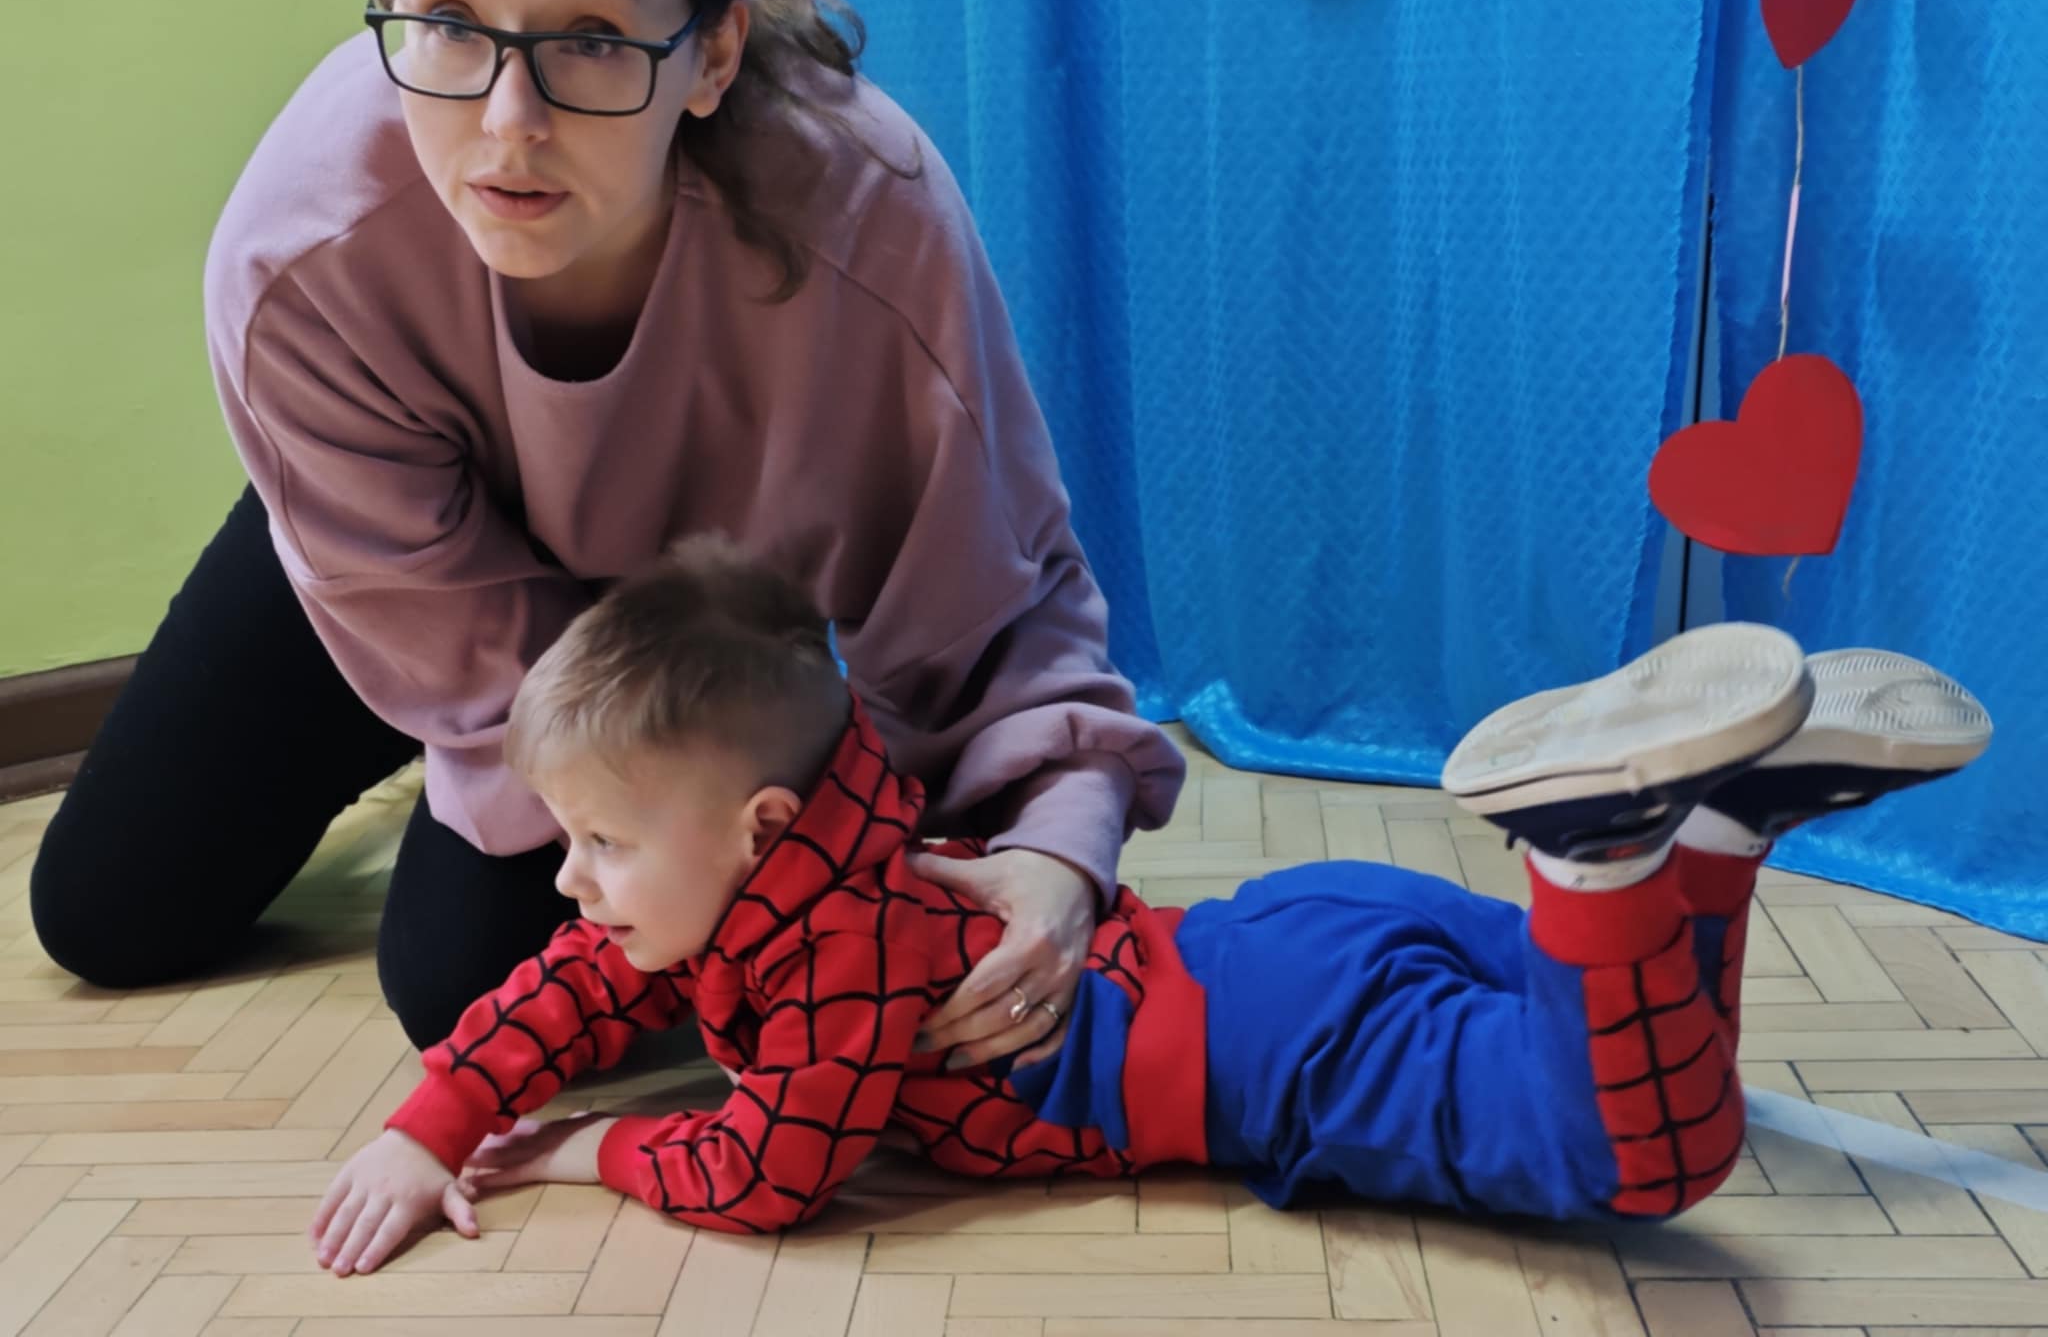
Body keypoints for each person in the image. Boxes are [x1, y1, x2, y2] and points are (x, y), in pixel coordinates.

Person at [28, 0, 1185, 1057]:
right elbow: (402, 584)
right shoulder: (300, 247)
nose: (507, 124)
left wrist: (1057, 848)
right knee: (108, 911)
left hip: (697, 634)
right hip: (418, 569)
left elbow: (992, 602)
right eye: (449, 21)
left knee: (461, 978)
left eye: (589, 37)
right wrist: (456, 704)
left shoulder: (865, 223)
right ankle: (406, 722)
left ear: (713, 54)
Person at [308, 537, 1990, 1276]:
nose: (568, 879)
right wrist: (429, 1119)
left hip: (1286, 1053)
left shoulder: (832, 968)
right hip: (1279, 937)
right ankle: (1713, 830)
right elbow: (576, 984)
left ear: (755, 829)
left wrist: (582, 1149)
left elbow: (769, 1177)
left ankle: (1599, 848)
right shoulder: (809, 870)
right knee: (1637, 1039)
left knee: (1639, 1154)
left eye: (599, 840)